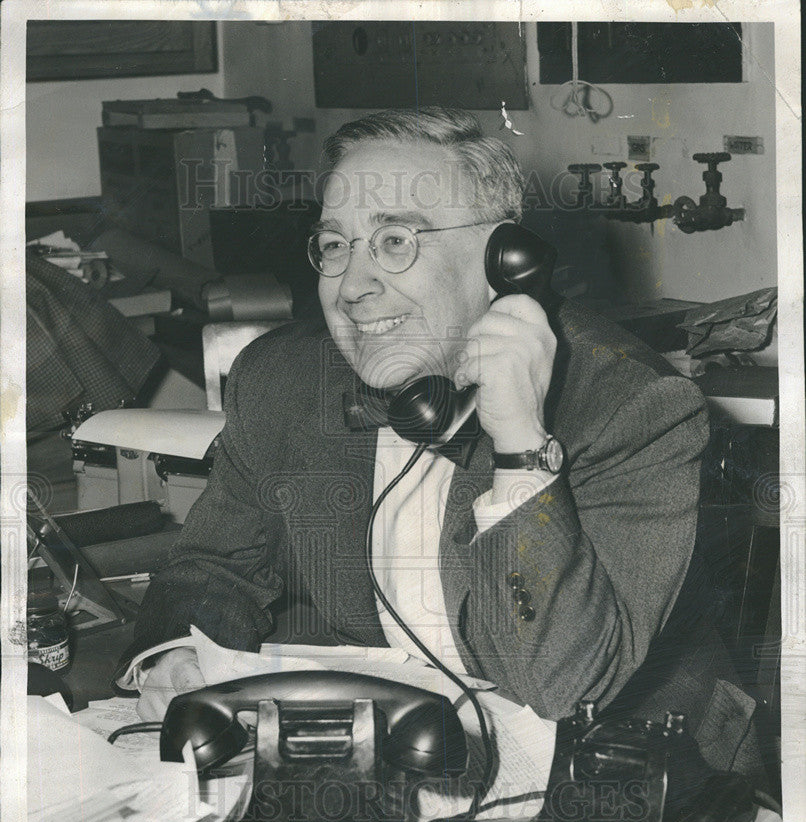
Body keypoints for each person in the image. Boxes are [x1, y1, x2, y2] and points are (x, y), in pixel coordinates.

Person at [122, 107, 761, 777]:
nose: (352, 288)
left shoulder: (629, 406)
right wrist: (174, 657)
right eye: (335, 245)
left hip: (623, 778)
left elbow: (565, 688)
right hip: (401, 755)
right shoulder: (280, 380)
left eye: (396, 241)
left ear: (502, 262)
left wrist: (518, 445)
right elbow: (214, 566)